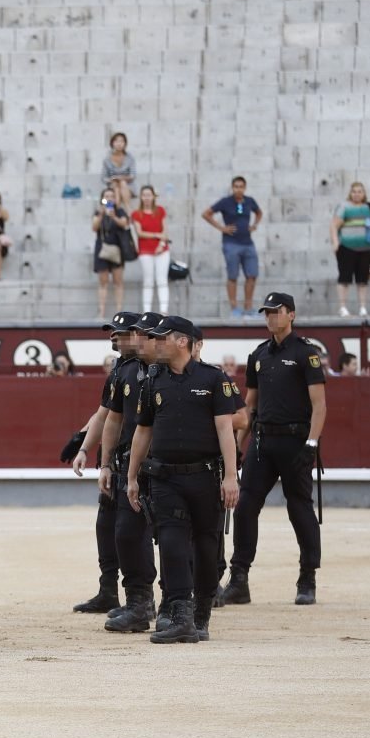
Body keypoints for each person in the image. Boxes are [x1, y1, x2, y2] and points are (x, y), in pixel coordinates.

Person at [126, 316, 239, 644]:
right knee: (172, 543)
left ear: (182, 342)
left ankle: (201, 612)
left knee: (206, 546)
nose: (155, 344)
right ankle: (179, 613)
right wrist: (132, 476)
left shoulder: (213, 378)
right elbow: (142, 431)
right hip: (164, 478)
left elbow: (225, 430)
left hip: (205, 477)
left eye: (162, 338)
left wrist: (231, 477)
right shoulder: (152, 381)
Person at [218, 292, 327, 608]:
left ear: (291, 314)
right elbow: (250, 405)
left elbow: (319, 406)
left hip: (295, 443)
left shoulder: (306, 354)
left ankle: (308, 577)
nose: (270, 317)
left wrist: (312, 443)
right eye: (266, 313)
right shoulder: (259, 355)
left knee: (299, 509)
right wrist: (239, 446)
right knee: (245, 507)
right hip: (262, 443)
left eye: (275, 312)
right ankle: (239, 579)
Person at [92, 312, 160, 633]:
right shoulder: (127, 371)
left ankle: (181, 603)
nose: (133, 338)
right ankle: (139, 602)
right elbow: (113, 419)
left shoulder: (173, 374)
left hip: (164, 466)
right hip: (128, 465)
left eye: (141, 333)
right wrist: (105, 463)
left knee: (175, 539)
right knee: (127, 535)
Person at [201, 176, 263, 318]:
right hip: (231, 244)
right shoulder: (225, 202)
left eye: (241, 186)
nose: (238, 189)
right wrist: (221, 228)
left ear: (245, 188)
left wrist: (254, 225)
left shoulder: (250, 201)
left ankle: (248, 307)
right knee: (233, 276)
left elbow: (259, 212)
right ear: (232, 187)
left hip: (248, 243)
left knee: (252, 275)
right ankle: (234, 308)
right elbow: (206, 214)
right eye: (236, 186)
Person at [330, 181, 370, 317]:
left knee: (363, 279)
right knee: (345, 278)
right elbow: (334, 225)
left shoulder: (368, 207)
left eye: (359, 191)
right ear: (350, 193)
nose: (357, 194)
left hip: (365, 248)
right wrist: (335, 242)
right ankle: (343, 307)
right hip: (347, 247)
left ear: (364, 193)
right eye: (354, 191)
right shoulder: (344, 207)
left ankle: (362, 307)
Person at [131, 185, 169, 313]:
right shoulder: (136, 214)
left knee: (162, 279)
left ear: (153, 196)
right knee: (148, 280)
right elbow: (139, 232)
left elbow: (165, 231)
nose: (146, 198)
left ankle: (163, 310)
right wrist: (156, 235)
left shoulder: (160, 211)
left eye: (149, 195)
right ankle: (147, 311)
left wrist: (161, 244)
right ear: (141, 197)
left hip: (161, 250)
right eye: (144, 195)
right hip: (145, 250)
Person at [93, 186, 130, 317]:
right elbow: (94, 227)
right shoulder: (98, 212)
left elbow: (124, 224)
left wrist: (113, 216)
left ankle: (119, 311)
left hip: (117, 248)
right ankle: (101, 312)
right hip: (102, 249)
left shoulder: (119, 211)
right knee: (103, 281)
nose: (109, 199)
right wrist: (102, 214)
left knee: (118, 281)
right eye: (106, 196)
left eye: (111, 196)